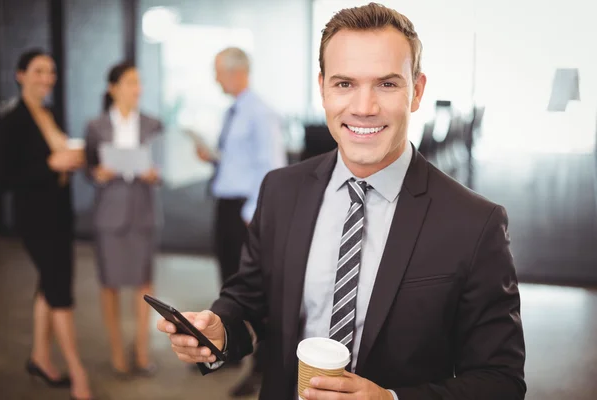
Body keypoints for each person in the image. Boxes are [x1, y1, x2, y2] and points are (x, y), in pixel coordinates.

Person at [158, 3, 526, 400]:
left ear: (416, 91)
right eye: (344, 84)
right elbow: (250, 301)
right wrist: (222, 332)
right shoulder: (282, 191)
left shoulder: (474, 223)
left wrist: (390, 399)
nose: (364, 107)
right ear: (322, 89)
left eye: (386, 84)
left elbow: (499, 381)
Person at [0, 49, 93, 400]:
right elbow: (5, 177)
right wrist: (51, 164)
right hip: (35, 218)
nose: (46, 78)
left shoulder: (49, 112)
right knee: (60, 292)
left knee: (48, 285)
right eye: (38, 71)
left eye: (50, 71)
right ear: (20, 74)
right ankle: (78, 373)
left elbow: (56, 157)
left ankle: (40, 357)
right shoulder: (11, 120)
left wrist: (71, 160)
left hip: (58, 212)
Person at [194, 47, 287, 396]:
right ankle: (228, 349)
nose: (215, 78)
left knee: (253, 291)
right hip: (227, 205)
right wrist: (215, 158)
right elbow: (242, 162)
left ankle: (261, 366)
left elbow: (272, 167)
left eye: (218, 71)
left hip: (245, 213)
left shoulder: (259, 113)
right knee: (229, 286)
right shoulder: (234, 111)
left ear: (237, 73)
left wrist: (254, 216)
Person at [84, 62, 163, 377]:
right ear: (113, 88)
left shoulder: (153, 125)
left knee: (144, 283)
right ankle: (117, 352)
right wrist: (96, 174)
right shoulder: (96, 126)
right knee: (110, 285)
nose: (137, 88)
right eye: (131, 82)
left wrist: (155, 174)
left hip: (143, 213)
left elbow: (164, 166)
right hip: (109, 215)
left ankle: (142, 351)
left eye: (139, 82)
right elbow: (89, 168)